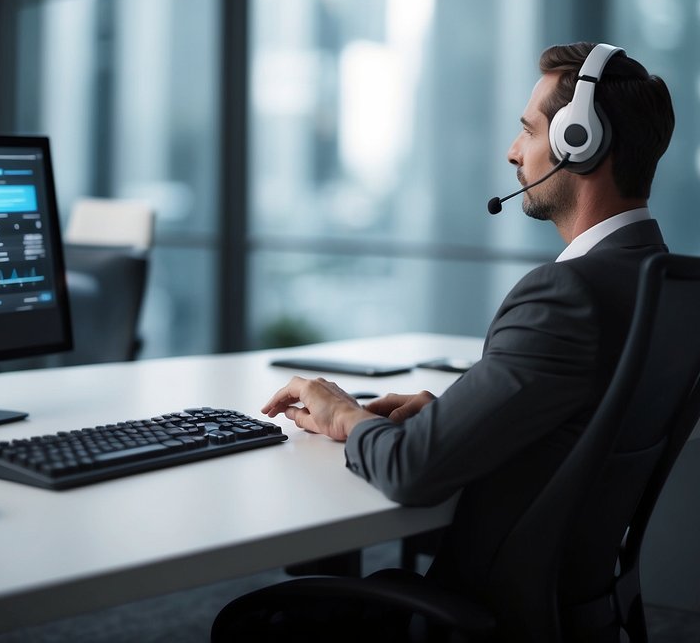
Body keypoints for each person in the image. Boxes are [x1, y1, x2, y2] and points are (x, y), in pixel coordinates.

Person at [261, 41, 675, 593]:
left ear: (580, 143)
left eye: (528, 131)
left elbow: (414, 473)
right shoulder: (660, 278)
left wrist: (345, 416)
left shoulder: (565, 294)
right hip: (572, 600)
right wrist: (458, 418)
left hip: (492, 611)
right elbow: (581, 427)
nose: (512, 152)